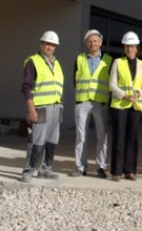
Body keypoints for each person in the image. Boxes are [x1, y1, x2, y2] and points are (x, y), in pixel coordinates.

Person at [20, 30, 64, 183]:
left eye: (53, 45)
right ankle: (29, 170)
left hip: (56, 108)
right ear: (41, 44)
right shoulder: (33, 61)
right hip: (40, 107)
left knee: (52, 140)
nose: (50, 47)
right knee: (36, 140)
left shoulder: (56, 63)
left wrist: (60, 104)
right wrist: (31, 108)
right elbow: (26, 87)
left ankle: (46, 168)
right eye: (47, 44)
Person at [70, 29, 113, 179]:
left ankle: (101, 167)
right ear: (86, 43)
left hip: (100, 103)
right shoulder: (80, 59)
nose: (93, 43)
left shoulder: (109, 60)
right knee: (81, 136)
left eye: (95, 41)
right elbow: (75, 80)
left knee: (102, 136)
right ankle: (80, 167)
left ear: (100, 42)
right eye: (90, 41)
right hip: (82, 102)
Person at [108, 32, 142, 182]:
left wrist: (138, 94)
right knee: (119, 138)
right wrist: (125, 96)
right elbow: (112, 84)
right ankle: (116, 171)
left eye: (132, 46)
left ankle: (130, 170)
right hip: (120, 104)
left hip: (135, 105)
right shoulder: (118, 62)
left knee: (132, 138)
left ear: (137, 48)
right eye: (127, 46)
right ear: (124, 48)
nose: (130, 49)